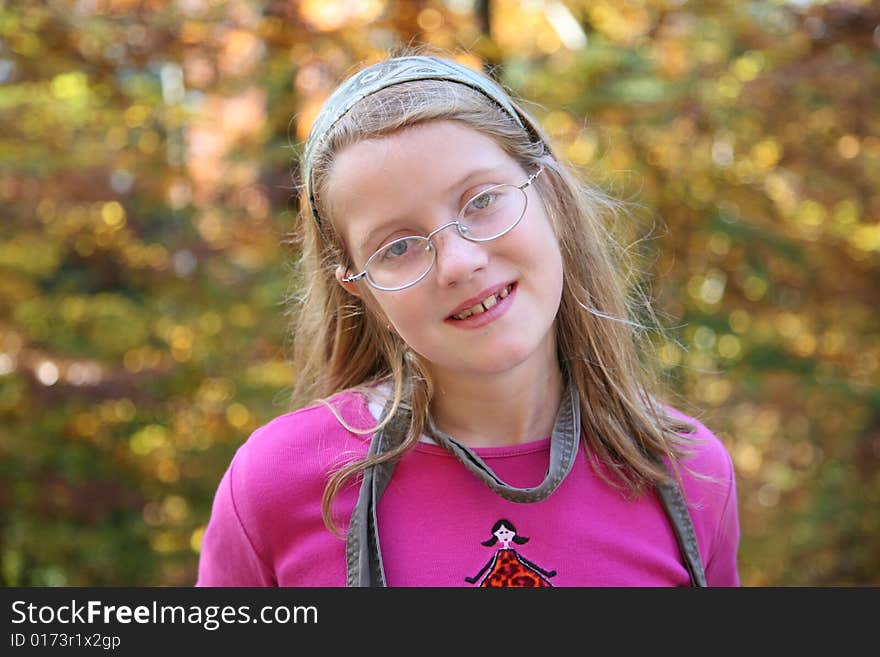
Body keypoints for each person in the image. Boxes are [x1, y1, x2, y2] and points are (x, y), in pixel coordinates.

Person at [196, 51, 740, 587]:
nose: (458, 263)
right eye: (399, 246)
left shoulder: (688, 471)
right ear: (363, 294)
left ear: (548, 193)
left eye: (480, 201)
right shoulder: (276, 484)